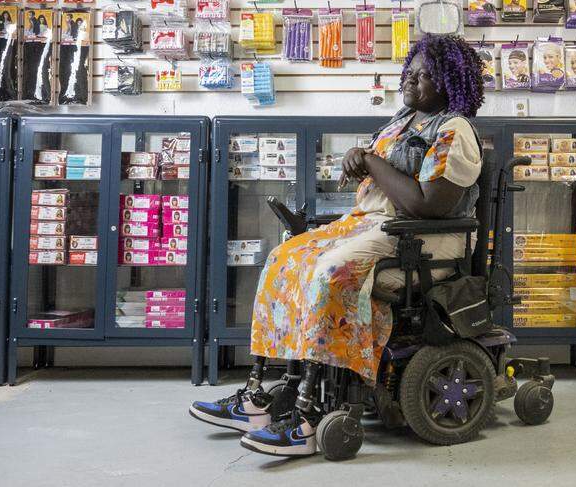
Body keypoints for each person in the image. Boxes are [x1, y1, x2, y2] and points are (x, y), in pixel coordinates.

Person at [189, 35, 485, 457]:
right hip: (371, 226)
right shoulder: (401, 121)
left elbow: (429, 204)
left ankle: (307, 418)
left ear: (450, 83)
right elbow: (374, 168)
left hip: (420, 237)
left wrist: (369, 161)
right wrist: (359, 156)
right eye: (411, 72)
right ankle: (256, 397)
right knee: (283, 259)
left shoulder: (454, 130)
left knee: (331, 272)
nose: (411, 81)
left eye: (425, 77)